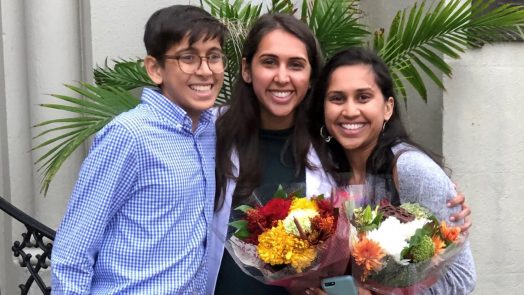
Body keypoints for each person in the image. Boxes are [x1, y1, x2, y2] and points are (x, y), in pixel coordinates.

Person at [208, 13, 471, 295]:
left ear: (310, 78)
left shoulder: (329, 154)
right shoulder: (209, 135)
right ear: (247, 69)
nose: (281, 77)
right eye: (269, 62)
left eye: (296, 65)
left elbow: (456, 276)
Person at [51, 5, 227, 294]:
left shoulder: (211, 131)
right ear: (155, 69)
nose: (205, 70)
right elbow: (73, 252)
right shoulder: (130, 136)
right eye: (188, 58)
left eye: (214, 57)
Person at [308, 47, 476, 294]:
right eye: (337, 98)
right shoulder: (324, 172)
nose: (350, 110)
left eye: (363, 97)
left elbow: (461, 278)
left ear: (387, 107)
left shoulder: (410, 169)